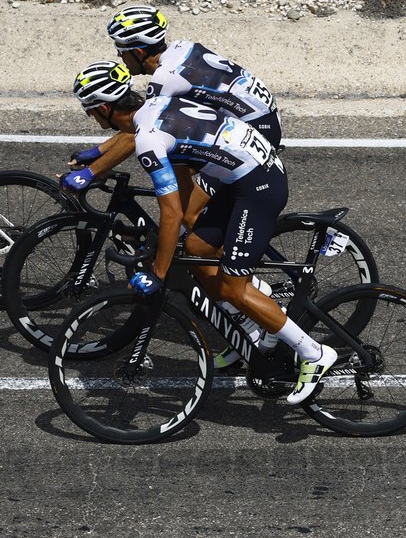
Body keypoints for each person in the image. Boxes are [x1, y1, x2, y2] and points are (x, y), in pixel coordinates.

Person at [71, 60, 335, 404]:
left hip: (258, 186)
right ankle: (258, 331)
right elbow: (182, 192)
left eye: (91, 113)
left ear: (104, 109)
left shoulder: (149, 139)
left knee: (233, 288)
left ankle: (315, 355)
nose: (94, 120)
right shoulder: (155, 104)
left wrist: (158, 272)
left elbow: (171, 211)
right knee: (196, 251)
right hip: (242, 177)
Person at [62, 5, 281, 228]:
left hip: (254, 132)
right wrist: (97, 152)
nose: (119, 56)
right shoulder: (181, 49)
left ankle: (209, 250)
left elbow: (138, 132)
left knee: (185, 210)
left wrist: (89, 173)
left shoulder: (164, 80)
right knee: (177, 166)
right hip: (263, 119)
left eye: (121, 50)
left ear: (138, 52)